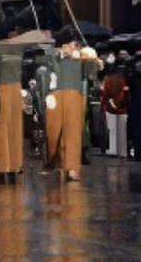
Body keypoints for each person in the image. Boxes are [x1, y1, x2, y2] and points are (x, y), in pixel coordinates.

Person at [39, 28, 98, 181]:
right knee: (53, 133)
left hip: (74, 96)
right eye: (72, 44)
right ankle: (54, 162)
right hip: (56, 95)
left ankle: (72, 167)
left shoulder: (81, 57)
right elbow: (46, 65)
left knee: (73, 133)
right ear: (63, 44)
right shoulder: (53, 55)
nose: (75, 47)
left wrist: (92, 59)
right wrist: (61, 55)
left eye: (76, 44)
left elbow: (91, 73)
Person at [0, 33, 26, 181]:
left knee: (1, 128)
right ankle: (15, 167)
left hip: (2, 87)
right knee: (15, 128)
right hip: (15, 87)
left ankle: (4, 168)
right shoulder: (19, 49)